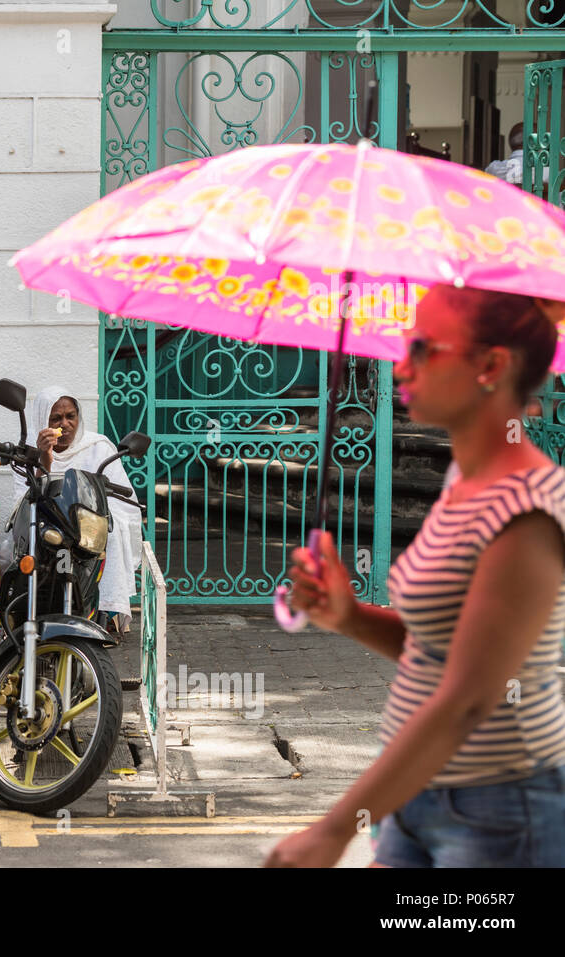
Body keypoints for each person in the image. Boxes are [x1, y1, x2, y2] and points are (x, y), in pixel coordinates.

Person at [268, 285, 565, 868]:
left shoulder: (527, 511)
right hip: (420, 790)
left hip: (502, 814)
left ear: (491, 366)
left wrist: (333, 830)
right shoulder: (465, 478)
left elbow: (468, 698)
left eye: (424, 349)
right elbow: (441, 650)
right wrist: (348, 616)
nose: (401, 364)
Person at [16, 388, 143, 625]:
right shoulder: (30, 448)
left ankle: (106, 610)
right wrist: (45, 456)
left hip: (90, 522)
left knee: (111, 534)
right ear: (44, 420)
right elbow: (26, 495)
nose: (65, 424)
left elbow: (120, 497)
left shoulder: (98, 447)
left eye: (70, 416)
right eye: (56, 418)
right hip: (50, 521)